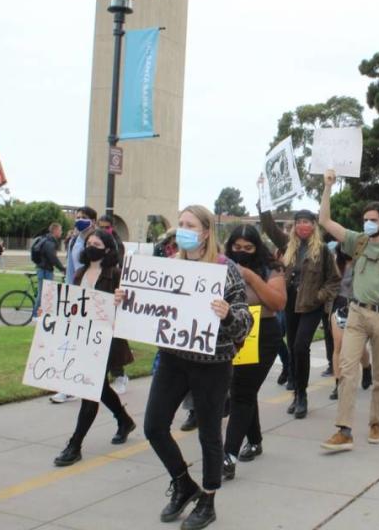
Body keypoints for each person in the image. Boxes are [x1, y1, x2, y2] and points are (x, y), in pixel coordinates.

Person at [131, 205, 252, 527]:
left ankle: (208, 500)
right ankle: (184, 484)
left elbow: (245, 321)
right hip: (173, 359)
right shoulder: (168, 267)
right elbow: (148, 309)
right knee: (154, 426)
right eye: (180, 224)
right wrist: (127, 301)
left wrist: (227, 314)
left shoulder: (225, 270)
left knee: (210, 434)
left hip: (212, 364)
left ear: (206, 232)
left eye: (190, 224)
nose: (183, 229)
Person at [319, 169, 379, 451]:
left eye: (373, 220)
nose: (368, 224)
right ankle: (344, 430)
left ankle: (375, 422)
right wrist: (327, 187)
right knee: (347, 371)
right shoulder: (356, 240)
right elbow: (324, 220)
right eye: (365, 220)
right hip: (356, 313)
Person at [54, 230, 137, 466]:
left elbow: (129, 310)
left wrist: (123, 299)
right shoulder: (80, 273)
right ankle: (124, 420)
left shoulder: (116, 276)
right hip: (83, 338)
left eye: (96, 244)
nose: (91, 247)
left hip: (106, 340)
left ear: (108, 249)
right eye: (88, 243)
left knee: (90, 391)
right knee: (98, 388)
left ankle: (75, 444)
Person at [259, 203, 340, 419]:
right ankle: (296, 393)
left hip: (311, 305)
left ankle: (303, 396)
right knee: (294, 348)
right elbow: (269, 227)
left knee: (302, 346)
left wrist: (320, 297)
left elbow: (334, 280)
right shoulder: (288, 246)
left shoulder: (322, 250)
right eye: (299, 222)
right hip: (290, 303)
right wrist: (263, 200)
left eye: (306, 222)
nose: (302, 226)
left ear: (314, 225)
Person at [221, 225, 286, 480]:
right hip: (232, 331)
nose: (241, 253)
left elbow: (278, 303)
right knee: (242, 389)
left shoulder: (272, 268)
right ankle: (255, 440)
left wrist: (250, 276)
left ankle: (229, 455)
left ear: (257, 247)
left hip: (262, 331)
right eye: (236, 248)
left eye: (248, 249)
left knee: (242, 392)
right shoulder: (221, 265)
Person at [328, 242, 373, 400]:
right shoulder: (334, 263)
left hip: (359, 307)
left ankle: (367, 368)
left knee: (359, 347)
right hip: (339, 307)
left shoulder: (363, 263)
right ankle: (339, 384)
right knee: (338, 347)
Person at [96, 214, 132, 394]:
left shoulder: (118, 246)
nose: (102, 230)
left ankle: (119, 375)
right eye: (99, 226)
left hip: (111, 294)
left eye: (106, 227)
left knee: (114, 341)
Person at [33, 222, 65, 318]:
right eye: (60, 230)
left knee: (44, 293)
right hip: (45, 271)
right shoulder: (49, 242)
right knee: (43, 293)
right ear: (55, 231)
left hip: (44, 269)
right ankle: (35, 315)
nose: (61, 232)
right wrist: (62, 269)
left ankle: (41, 313)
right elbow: (52, 258)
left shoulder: (48, 240)